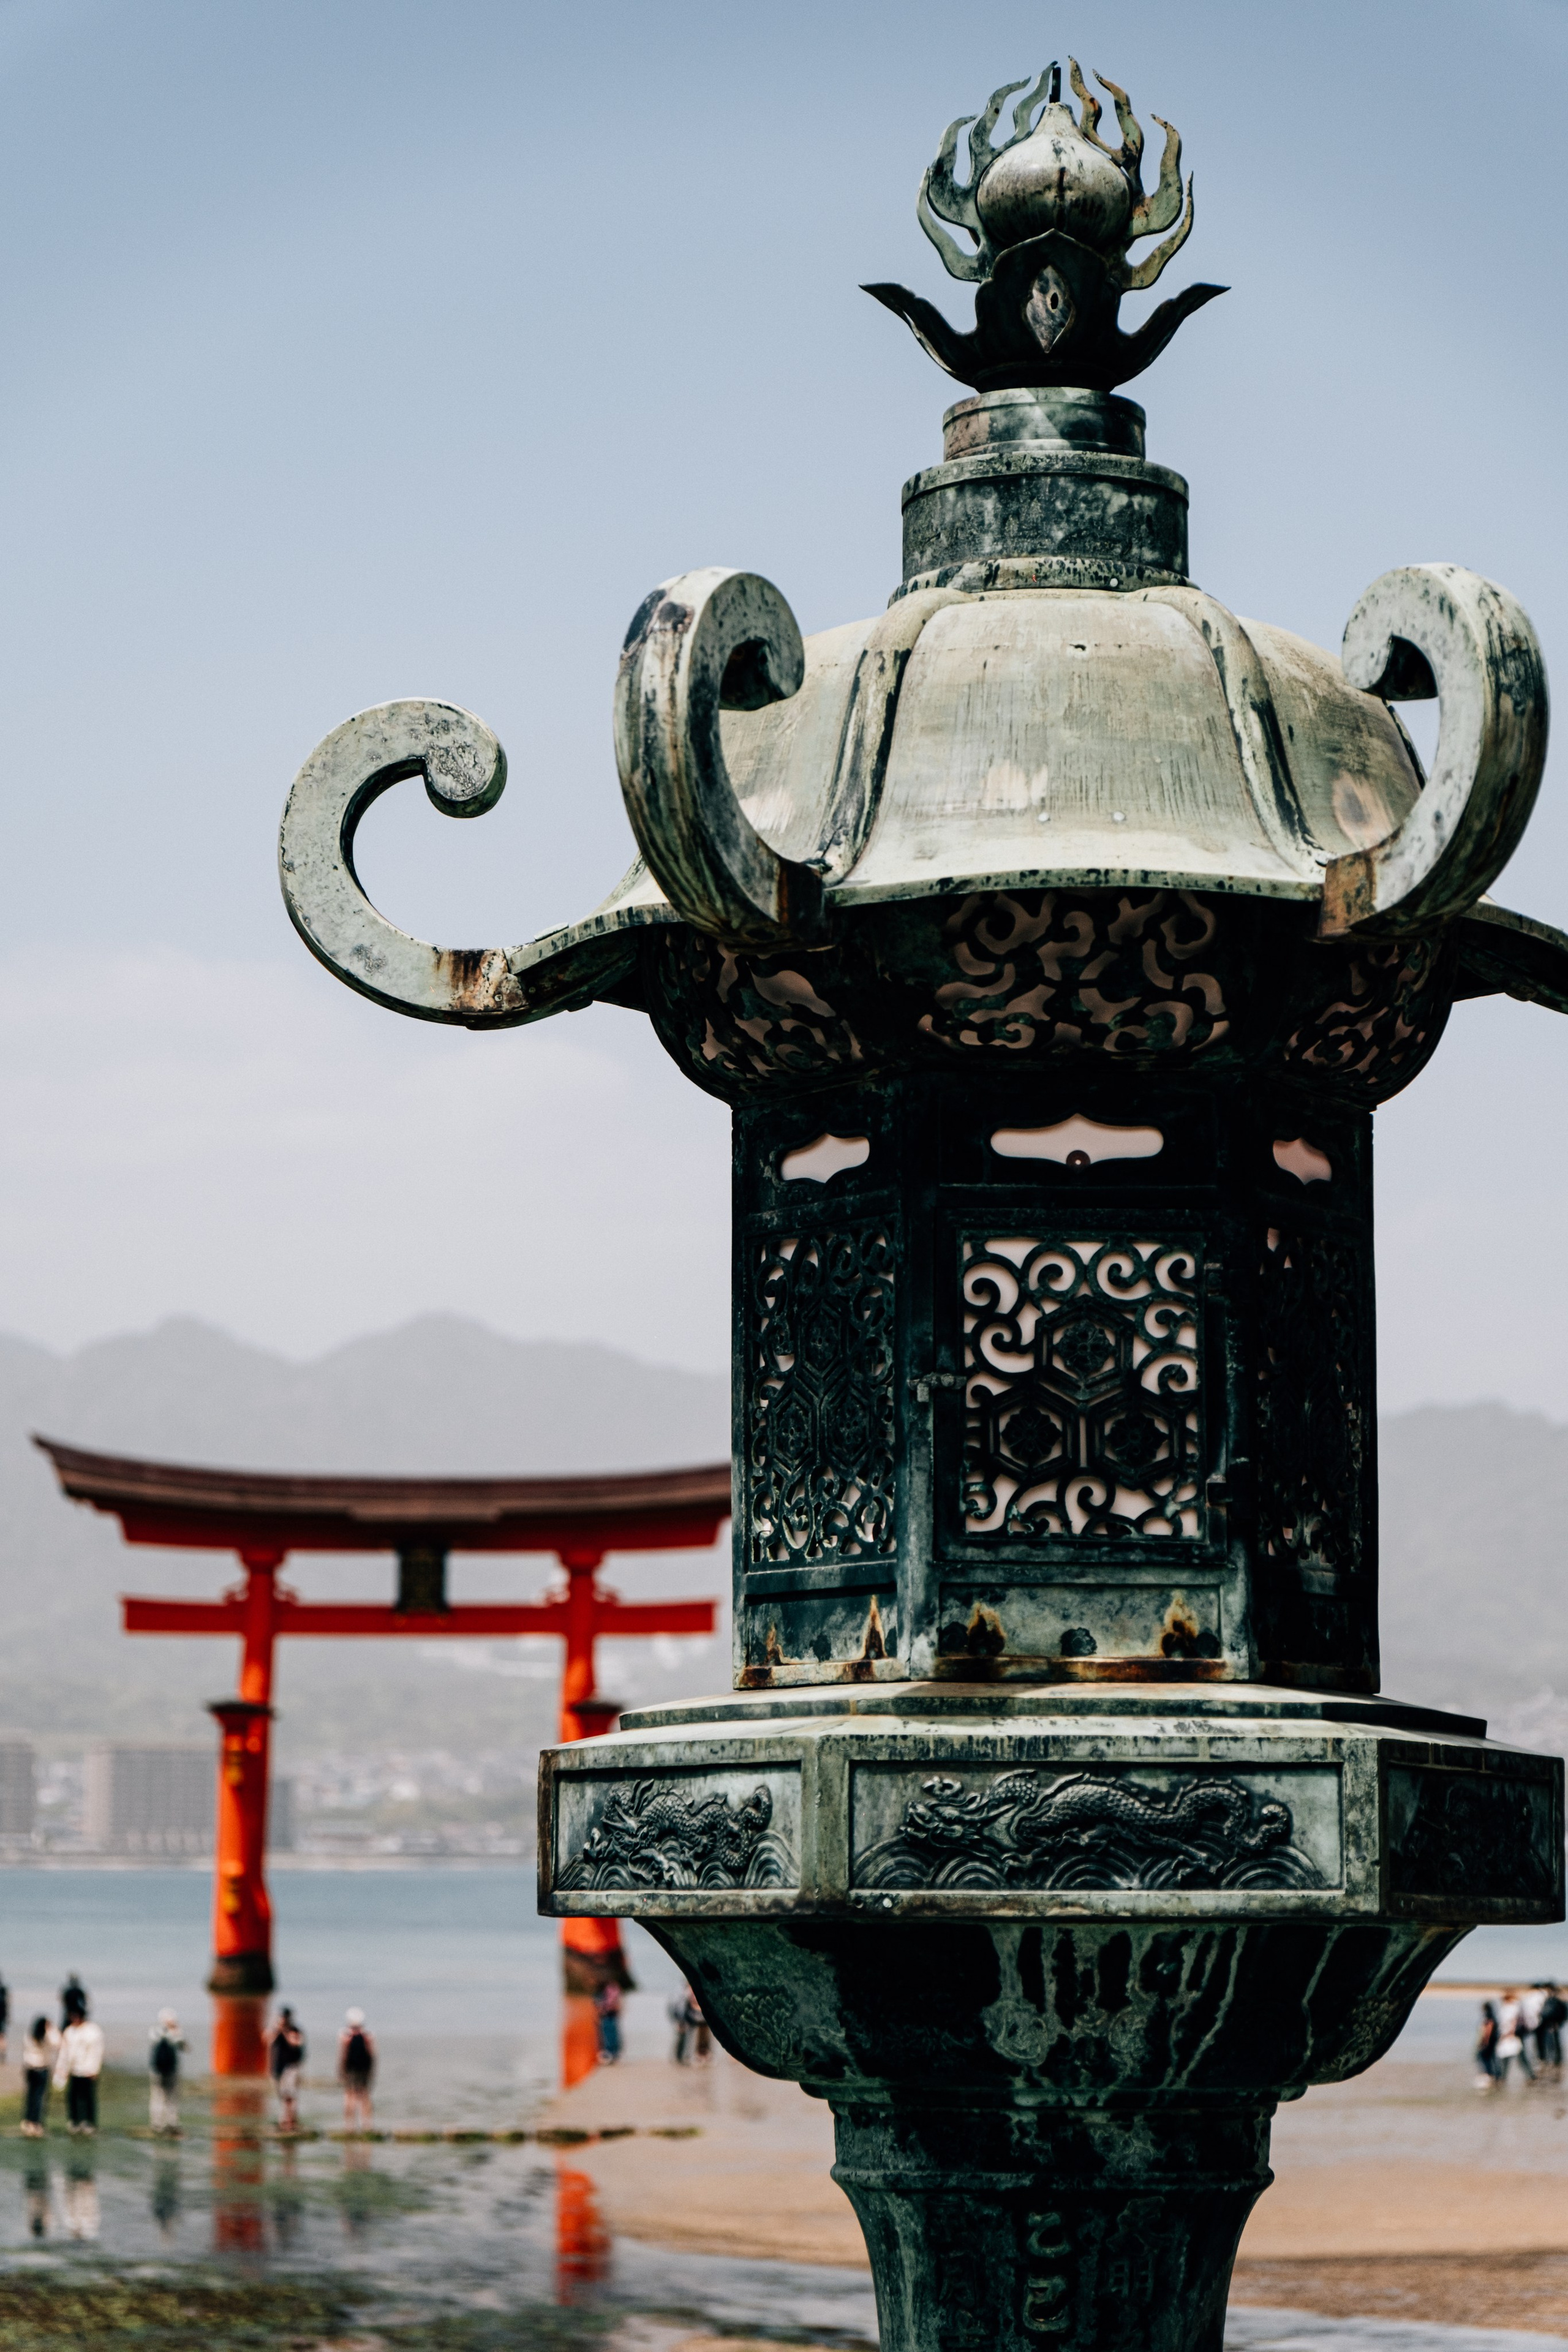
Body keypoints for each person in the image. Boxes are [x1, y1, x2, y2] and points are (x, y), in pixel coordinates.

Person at [53, 1996, 104, 2135]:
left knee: (88, 2097)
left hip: (88, 2070)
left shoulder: (93, 2030)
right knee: (73, 2097)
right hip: (74, 2070)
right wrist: (61, 2069)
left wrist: (95, 2069)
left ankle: (88, 2122)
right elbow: (64, 2052)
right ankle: (74, 2121)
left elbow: (97, 2052)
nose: (74, 2018)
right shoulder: (69, 2031)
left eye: (76, 2015)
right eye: (72, 2016)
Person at [148, 2010, 185, 2135]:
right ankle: (163, 2123)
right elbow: (182, 2045)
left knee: (163, 2096)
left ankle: (164, 2123)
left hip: (163, 2069)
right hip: (164, 2069)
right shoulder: (170, 2032)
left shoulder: (155, 2030)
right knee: (165, 2096)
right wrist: (174, 2031)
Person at [337, 2007, 375, 2128]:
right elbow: (372, 2054)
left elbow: (343, 2055)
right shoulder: (368, 2036)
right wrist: (371, 2071)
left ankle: (349, 2126)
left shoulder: (345, 2036)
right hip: (364, 2068)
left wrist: (341, 2070)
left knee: (349, 2095)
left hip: (351, 2068)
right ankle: (367, 2124)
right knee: (365, 2095)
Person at [269, 2006, 306, 2132]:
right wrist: (276, 2029)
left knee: (290, 2094)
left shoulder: (294, 2030)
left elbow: (296, 2043)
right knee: (282, 2095)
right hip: (278, 2067)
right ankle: (285, 2118)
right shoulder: (276, 2030)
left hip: (291, 2066)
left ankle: (290, 2121)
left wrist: (285, 2032)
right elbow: (266, 2040)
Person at [21, 2015, 58, 2136]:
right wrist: (52, 2030)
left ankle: (28, 2121)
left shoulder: (29, 2036)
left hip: (29, 2068)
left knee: (31, 2096)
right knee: (39, 2097)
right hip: (41, 2069)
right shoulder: (46, 2038)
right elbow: (58, 2043)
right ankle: (36, 2123)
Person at [1496, 1988, 1535, 2085]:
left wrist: (1509, 2033)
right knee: (1508, 2057)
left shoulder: (1513, 2007)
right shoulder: (1512, 2006)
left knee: (1517, 2057)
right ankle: (1503, 2077)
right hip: (1509, 2035)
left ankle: (1530, 2076)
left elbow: (1514, 2021)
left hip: (1512, 2036)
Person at [1539, 1982, 1566, 2076]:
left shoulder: (1557, 2001)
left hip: (1555, 2025)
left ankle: (1557, 2061)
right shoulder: (1549, 2000)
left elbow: (1563, 2013)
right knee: (1549, 2044)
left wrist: (1558, 2024)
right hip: (1548, 2025)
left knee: (1555, 2044)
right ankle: (1551, 2061)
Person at [595, 1978, 622, 2065]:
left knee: (609, 2034)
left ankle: (611, 2054)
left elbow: (617, 2002)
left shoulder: (612, 1989)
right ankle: (611, 2054)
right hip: (607, 2014)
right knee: (608, 2034)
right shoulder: (610, 1989)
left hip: (609, 2014)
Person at [1476, 1998, 1499, 2089]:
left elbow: (1489, 2028)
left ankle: (1489, 2074)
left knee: (1484, 2057)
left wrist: (1485, 2040)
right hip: (1492, 2041)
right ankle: (1492, 2075)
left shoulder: (1488, 2016)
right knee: (1490, 2058)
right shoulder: (1492, 2015)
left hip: (1488, 2041)